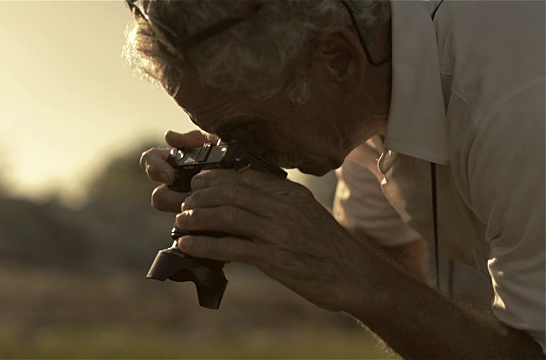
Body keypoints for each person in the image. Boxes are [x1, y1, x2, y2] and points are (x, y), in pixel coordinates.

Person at [129, 0, 545, 357]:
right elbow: (383, 249)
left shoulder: (517, 109)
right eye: (221, 134)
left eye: (246, 130)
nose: (240, 147)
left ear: (338, 59)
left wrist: (355, 274)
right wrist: (242, 178)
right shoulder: (362, 98)